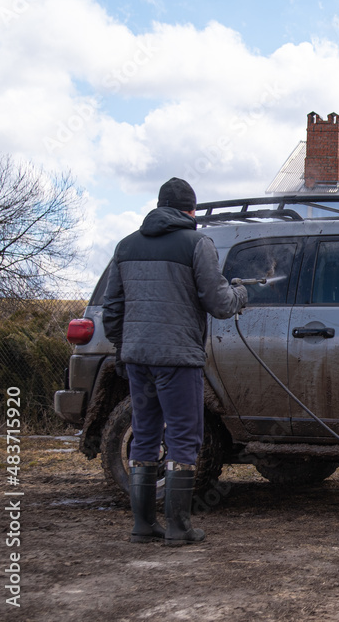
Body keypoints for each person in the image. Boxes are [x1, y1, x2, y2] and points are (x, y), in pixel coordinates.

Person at [102, 178, 247, 546]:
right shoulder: (198, 244)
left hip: (138, 358)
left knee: (145, 435)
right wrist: (241, 293)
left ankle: (142, 526)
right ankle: (179, 527)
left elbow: (113, 309)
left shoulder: (126, 246)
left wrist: (124, 348)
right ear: (191, 211)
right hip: (178, 359)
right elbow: (220, 303)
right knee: (184, 437)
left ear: (159, 205)